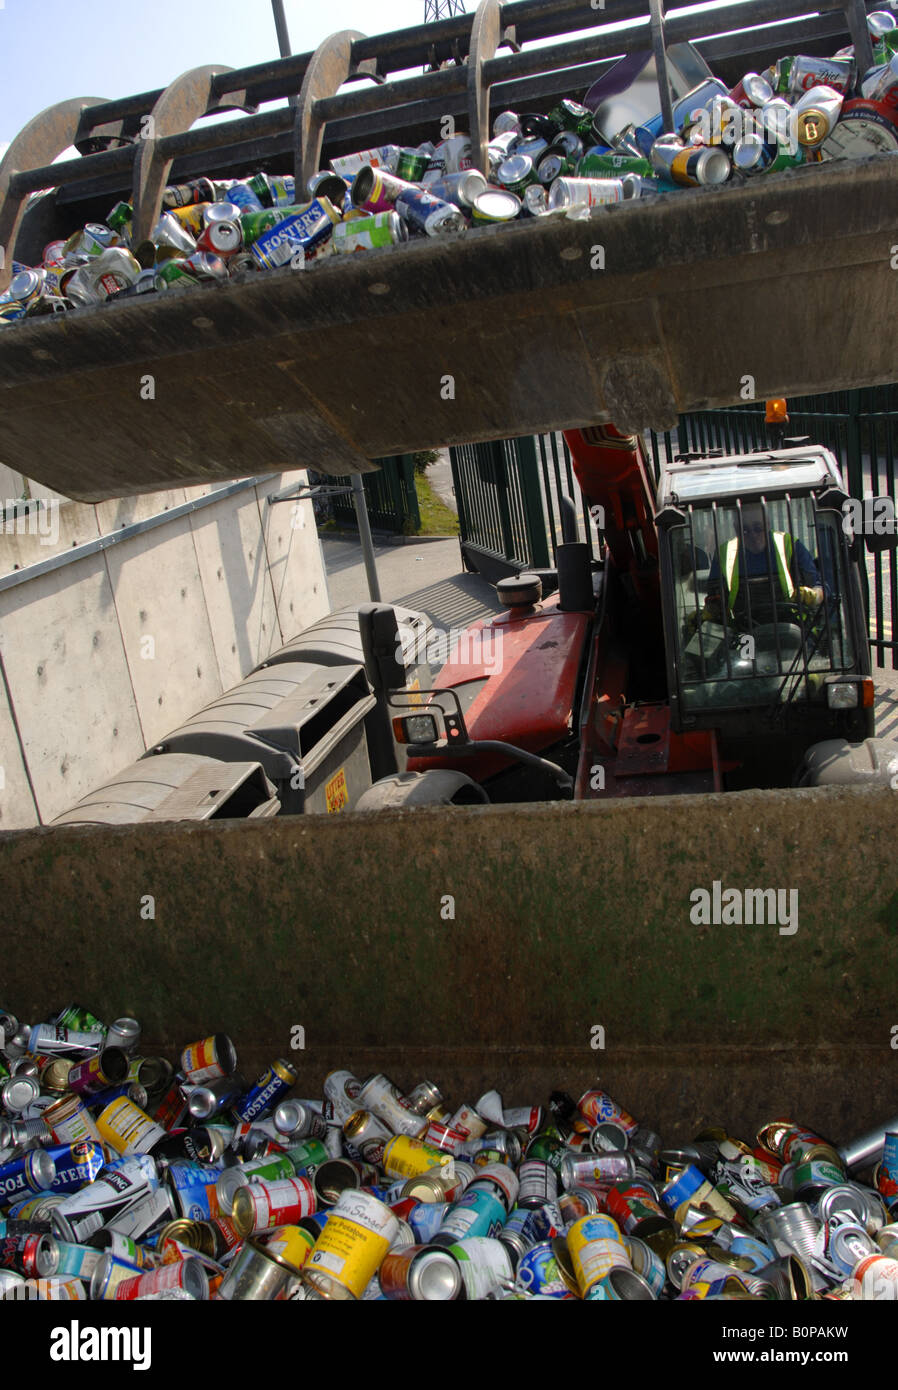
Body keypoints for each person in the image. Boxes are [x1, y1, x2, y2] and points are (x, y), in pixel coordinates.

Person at [703, 503, 823, 627]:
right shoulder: (725, 554)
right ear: (736, 529)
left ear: (768, 524)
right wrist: (707, 614)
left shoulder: (791, 546)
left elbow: (820, 587)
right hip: (743, 634)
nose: (753, 535)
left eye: (758, 528)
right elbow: (714, 598)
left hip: (796, 630)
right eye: (745, 530)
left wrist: (814, 595)